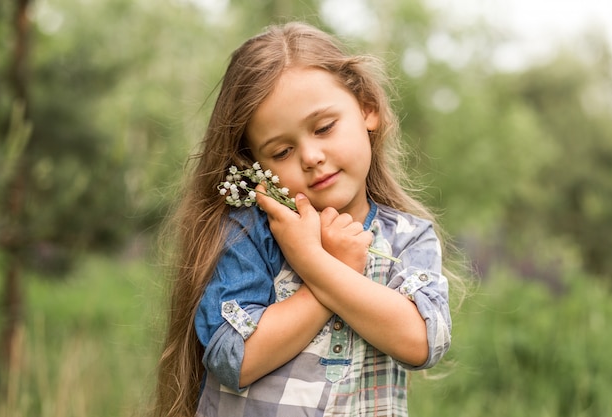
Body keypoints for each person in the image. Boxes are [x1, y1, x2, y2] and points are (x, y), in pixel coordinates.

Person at [152, 21, 455, 417]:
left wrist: (314, 262)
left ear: (368, 109)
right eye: (281, 152)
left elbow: (422, 341)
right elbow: (232, 359)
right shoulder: (252, 232)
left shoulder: (407, 239)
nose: (311, 156)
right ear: (253, 165)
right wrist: (333, 266)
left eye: (324, 127)